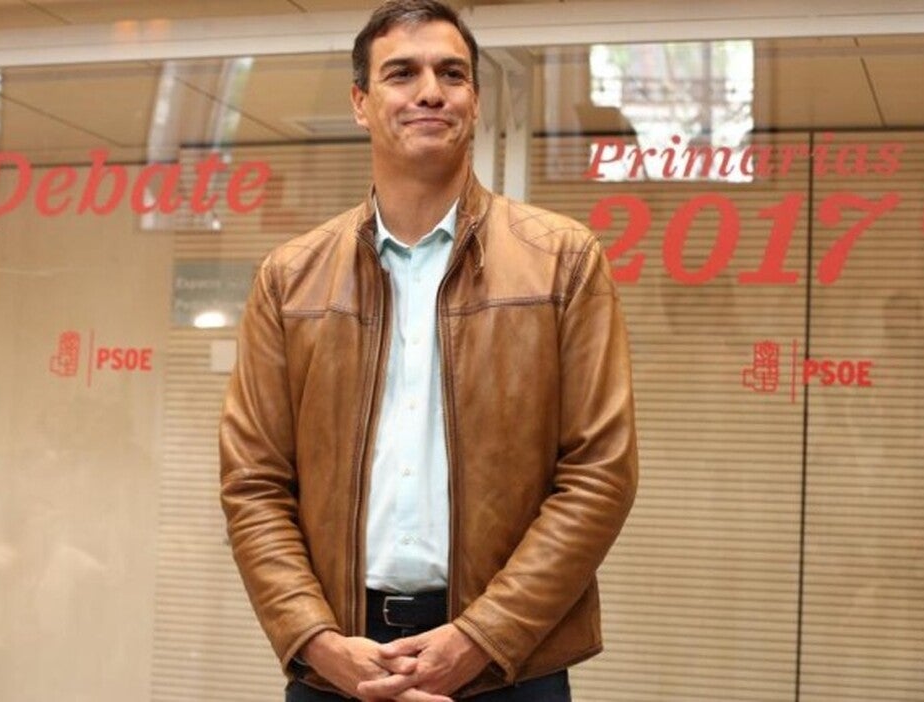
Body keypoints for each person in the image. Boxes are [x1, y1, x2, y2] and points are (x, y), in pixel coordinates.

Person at [219, 1, 638, 699]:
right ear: (360, 103)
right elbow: (254, 482)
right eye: (401, 73)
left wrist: (481, 637)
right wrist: (316, 642)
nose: (430, 92)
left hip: (510, 662)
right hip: (340, 663)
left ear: (475, 101)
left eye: (452, 73)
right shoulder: (289, 278)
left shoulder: (564, 260)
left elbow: (600, 473)